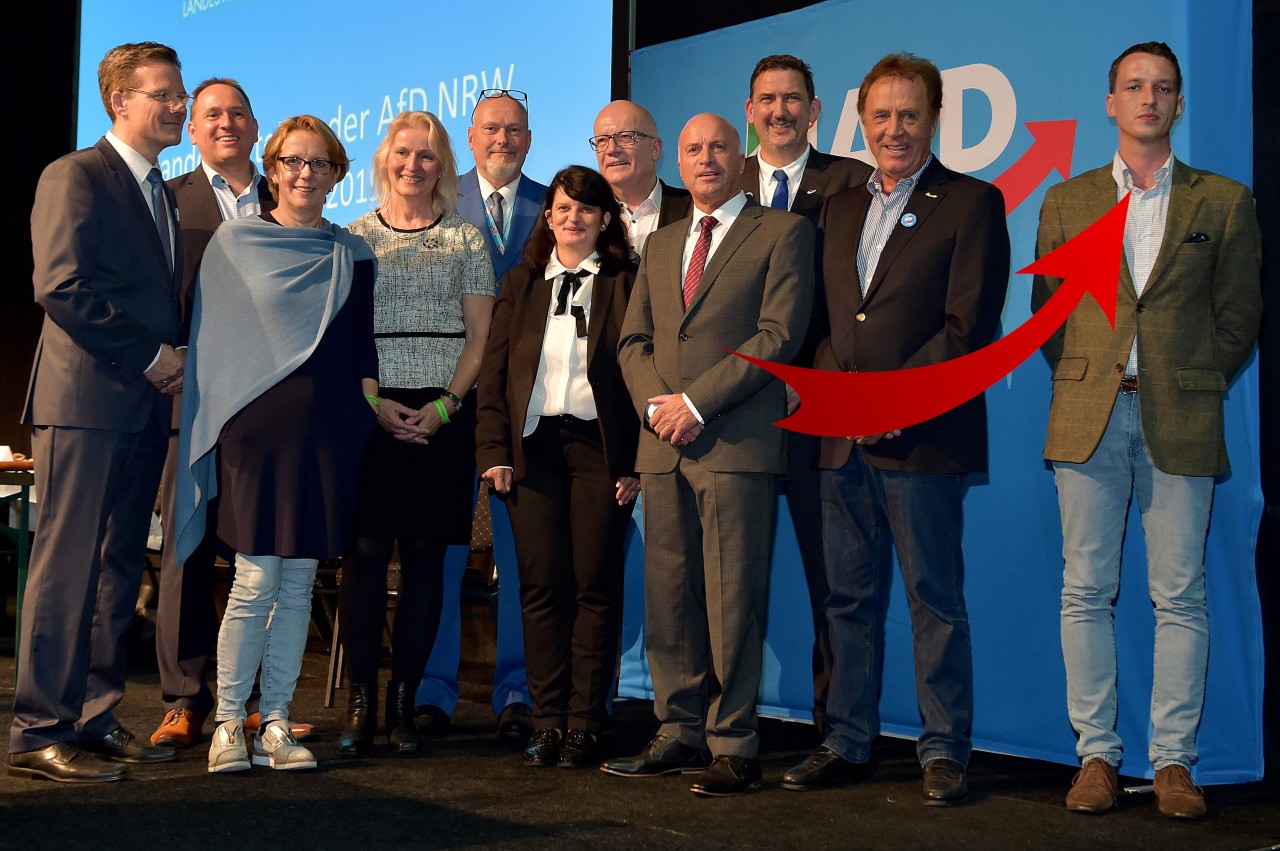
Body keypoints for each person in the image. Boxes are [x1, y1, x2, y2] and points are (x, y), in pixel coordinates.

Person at [1032, 41, 1262, 819]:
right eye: (1133, 86)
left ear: (1179, 103)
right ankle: (1095, 754)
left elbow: (1239, 320)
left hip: (1182, 414)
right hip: (1088, 414)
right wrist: (1097, 374)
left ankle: (1174, 763)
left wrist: (1190, 379)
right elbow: (1051, 317)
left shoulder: (1224, 201)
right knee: (1085, 591)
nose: (1148, 98)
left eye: (1163, 87)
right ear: (1111, 102)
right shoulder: (1066, 202)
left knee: (1180, 596)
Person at [781, 53, 1009, 807]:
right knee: (846, 599)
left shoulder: (972, 203)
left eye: (909, 114)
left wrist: (895, 400)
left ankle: (944, 749)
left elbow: (968, 326)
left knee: (932, 597)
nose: (894, 129)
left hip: (923, 437)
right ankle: (847, 738)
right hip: (840, 439)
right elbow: (828, 321)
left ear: (934, 118)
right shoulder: (839, 207)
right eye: (881, 116)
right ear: (862, 122)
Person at [605, 113, 814, 797]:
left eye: (719, 146)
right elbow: (633, 341)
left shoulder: (783, 233)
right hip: (661, 446)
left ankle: (735, 742)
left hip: (735, 442)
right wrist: (657, 406)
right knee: (668, 598)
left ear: (742, 154)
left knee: (732, 599)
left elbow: (778, 335)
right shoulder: (662, 243)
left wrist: (696, 403)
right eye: (693, 149)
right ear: (681, 160)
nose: (706, 159)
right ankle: (678, 729)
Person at [174, 115, 378, 773]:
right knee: (255, 577)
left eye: (319, 163)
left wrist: (380, 417)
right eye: (292, 161)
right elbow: (213, 346)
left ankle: (277, 723)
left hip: (329, 436)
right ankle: (229, 723)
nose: (304, 174)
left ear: (336, 174)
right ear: (272, 169)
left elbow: (361, 350)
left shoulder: (354, 252)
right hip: (254, 437)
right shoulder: (235, 242)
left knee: (297, 581)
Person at [9, 41, 186, 783]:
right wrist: (151, 356)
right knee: (67, 564)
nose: (179, 106)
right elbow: (61, 285)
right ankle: (37, 729)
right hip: (87, 401)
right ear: (120, 101)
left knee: (116, 566)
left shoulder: (162, 192)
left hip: (141, 408)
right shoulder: (75, 175)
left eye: (178, 93)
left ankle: (93, 714)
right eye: (165, 94)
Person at [150, 77, 312, 749]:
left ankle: (251, 700)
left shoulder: (289, 204)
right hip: (194, 402)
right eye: (210, 114)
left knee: (264, 552)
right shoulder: (167, 200)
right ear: (193, 129)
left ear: (256, 128)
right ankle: (185, 700)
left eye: (237, 113)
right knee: (189, 549)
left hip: (274, 412)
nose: (224, 123)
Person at [337, 110, 496, 757]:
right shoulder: (351, 239)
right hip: (370, 414)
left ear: (443, 167)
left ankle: (405, 703)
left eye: (426, 155)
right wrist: (375, 402)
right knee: (366, 558)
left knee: (428, 562)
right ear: (384, 160)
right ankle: (362, 701)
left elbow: (481, 341)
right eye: (402, 153)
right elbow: (342, 340)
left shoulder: (467, 241)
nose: (413, 165)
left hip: (443, 418)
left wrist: (447, 406)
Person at [476, 165, 641, 768]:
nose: (574, 219)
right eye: (563, 208)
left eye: (587, 210)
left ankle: (586, 722)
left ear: (605, 220)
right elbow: (494, 376)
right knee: (542, 587)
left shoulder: (627, 281)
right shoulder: (520, 283)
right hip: (533, 452)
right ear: (548, 217)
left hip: (602, 452)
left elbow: (643, 376)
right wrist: (493, 452)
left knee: (595, 587)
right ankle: (547, 721)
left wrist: (636, 461)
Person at [741, 53, 872, 734]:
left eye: (793, 99)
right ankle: (725, 722)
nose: (780, 111)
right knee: (729, 581)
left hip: (818, 417)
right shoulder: (718, 181)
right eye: (767, 99)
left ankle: (837, 727)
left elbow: (858, 300)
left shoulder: (853, 183)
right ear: (750, 111)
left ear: (815, 110)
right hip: (734, 416)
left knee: (835, 583)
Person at [414, 89, 548, 744]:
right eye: (492, 128)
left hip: (525, 409)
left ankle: (516, 689)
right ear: (470, 136)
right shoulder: (438, 196)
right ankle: (432, 689)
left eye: (515, 130)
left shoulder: (557, 204)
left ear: (529, 137)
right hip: (451, 398)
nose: (504, 138)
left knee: (521, 554)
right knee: (443, 548)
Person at [590, 100, 691, 258]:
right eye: (602, 140)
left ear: (655, 149)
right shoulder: (585, 217)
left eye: (625, 137)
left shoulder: (693, 210)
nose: (611, 149)